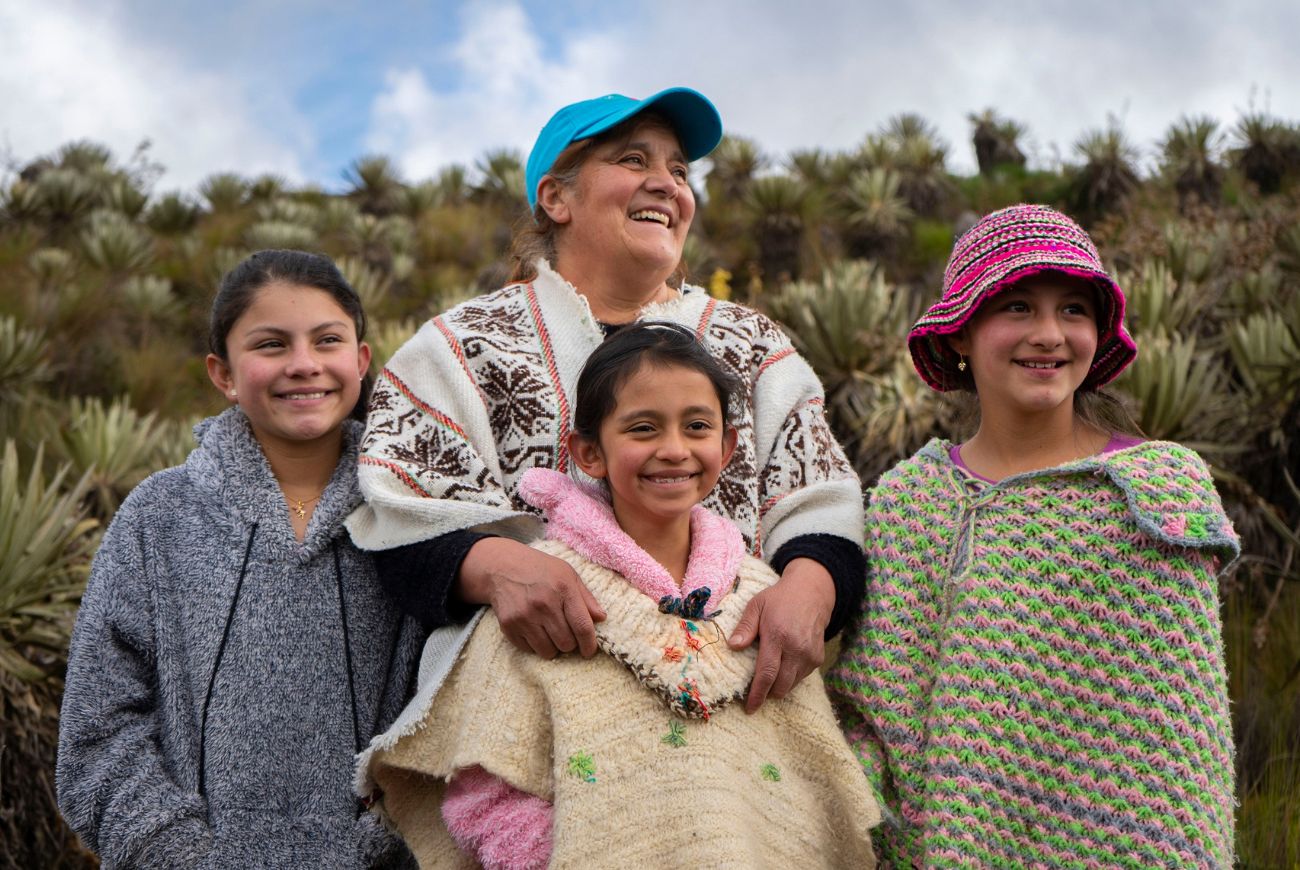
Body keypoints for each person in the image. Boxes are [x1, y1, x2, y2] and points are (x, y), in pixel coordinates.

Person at [349, 87, 864, 714]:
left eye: (678, 170)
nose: (666, 185)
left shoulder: (752, 345)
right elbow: (399, 518)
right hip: (531, 728)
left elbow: (821, 501)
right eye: (632, 161)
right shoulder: (461, 348)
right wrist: (493, 565)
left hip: (734, 718)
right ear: (556, 197)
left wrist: (811, 589)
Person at [360, 322, 881, 868]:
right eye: (642, 428)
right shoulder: (544, 594)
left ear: (727, 446)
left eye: (697, 425)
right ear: (589, 453)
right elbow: (486, 788)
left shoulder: (758, 598)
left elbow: (805, 777)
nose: (675, 450)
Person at [826, 204, 1237, 868]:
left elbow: (1178, 745)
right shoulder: (910, 500)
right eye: (1016, 307)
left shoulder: (1157, 491)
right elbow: (878, 711)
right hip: (939, 843)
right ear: (960, 334)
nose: (1048, 333)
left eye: (1073, 310)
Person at [57, 250, 423, 868]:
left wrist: (375, 849)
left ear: (360, 361)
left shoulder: (415, 514)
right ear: (223, 373)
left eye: (327, 340)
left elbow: (446, 714)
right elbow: (98, 733)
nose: (304, 365)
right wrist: (179, 854)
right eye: (271, 345)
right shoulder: (158, 515)